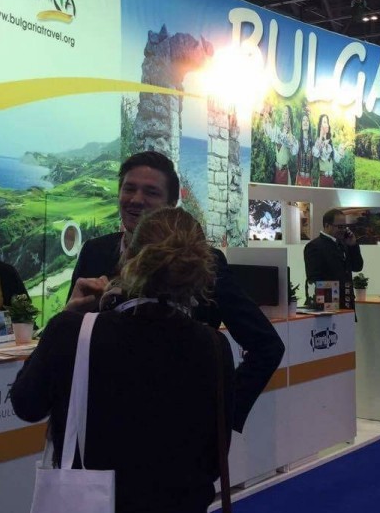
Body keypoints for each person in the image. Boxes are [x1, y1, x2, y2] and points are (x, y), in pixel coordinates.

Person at [13, 207, 234, 513]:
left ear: (129, 257)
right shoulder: (214, 346)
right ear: (199, 271)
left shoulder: (74, 331)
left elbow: (26, 404)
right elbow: (214, 461)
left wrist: (65, 315)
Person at [66, 150, 283, 432]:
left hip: (176, 432)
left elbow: (267, 346)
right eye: (129, 189)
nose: (136, 200)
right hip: (100, 425)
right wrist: (68, 316)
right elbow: (71, 335)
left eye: (151, 192)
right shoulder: (95, 252)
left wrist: (221, 415)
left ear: (171, 204)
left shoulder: (204, 261)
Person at [303, 208, 363, 299]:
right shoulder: (314, 246)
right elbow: (314, 280)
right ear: (327, 225)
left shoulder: (343, 243)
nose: (343, 230)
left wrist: (353, 246)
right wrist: (333, 300)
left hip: (347, 301)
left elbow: (357, 267)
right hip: (329, 302)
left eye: (345, 227)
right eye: (340, 227)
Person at [263, 104, 296, 185]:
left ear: (289, 117)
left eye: (286, 113)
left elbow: (292, 146)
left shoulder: (291, 137)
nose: (283, 115)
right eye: (283, 112)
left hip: (285, 174)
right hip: (277, 172)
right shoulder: (278, 131)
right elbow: (269, 131)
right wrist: (266, 117)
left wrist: (289, 130)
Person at [312, 113, 345, 188]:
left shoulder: (330, 144)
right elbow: (316, 154)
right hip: (322, 179)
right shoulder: (317, 142)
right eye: (324, 122)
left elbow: (337, 159)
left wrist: (342, 150)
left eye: (327, 122)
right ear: (320, 126)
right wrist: (321, 137)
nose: (326, 124)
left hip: (330, 179)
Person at [294, 110, 314, 186]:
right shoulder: (297, 142)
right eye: (303, 120)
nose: (305, 122)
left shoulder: (312, 143)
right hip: (299, 179)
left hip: (309, 179)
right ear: (301, 125)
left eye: (307, 120)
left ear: (309, 125)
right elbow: (293, 151)